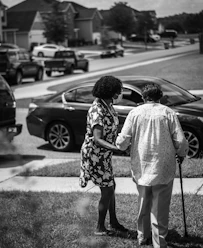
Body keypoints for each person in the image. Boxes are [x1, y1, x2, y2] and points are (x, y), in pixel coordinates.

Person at [116, 83, 189, 247]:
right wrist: (181, 153)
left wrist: (120, 144)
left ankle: (142, 236)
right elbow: (181, 141)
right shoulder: (168, 112)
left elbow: (123, 140)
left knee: (143, 202)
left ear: (143, 97)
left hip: (142, 166)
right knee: (160, 207)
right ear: (160, 97)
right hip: (163, 166)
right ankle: (159, 241)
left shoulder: (134, 113)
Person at [79, 75, 128, 236]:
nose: (119, 93)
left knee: (111, 187)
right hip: (95, 155)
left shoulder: (108, 105)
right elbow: (98, 139)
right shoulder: (97, 110)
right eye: (117, 91)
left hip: (104, 155)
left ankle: (113, 222)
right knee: (107, 190)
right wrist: (117, 148)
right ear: (110, 91)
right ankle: (100, 227)